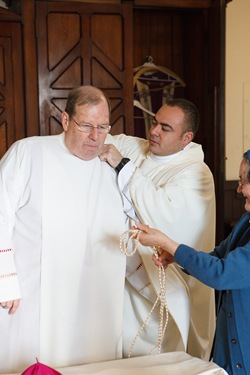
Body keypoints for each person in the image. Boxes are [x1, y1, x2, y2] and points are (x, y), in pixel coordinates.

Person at [0, 86, 128, 373]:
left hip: (94, 295)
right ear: (66, 120)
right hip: (35, 293)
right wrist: (5, 278)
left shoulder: (111, 164)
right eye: (86, 126)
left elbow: (130, 223)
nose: (95, 137)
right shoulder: (29, 152)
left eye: (103, 127)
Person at [99, 98, 216, 359]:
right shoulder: (139, 148)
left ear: (186, 138)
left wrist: (122, 165)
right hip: (129, 279)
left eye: (165, 128)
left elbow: (165, 215)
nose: (154, 131)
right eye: (154, 122)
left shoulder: (196, 173)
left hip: (168, 283)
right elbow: (100, 139)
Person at [133, 150, 250, 375]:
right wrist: (174, 255)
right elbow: (218, 256)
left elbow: (222, 273)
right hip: (229, 347)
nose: (237, 190)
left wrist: (166, 242)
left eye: (242, 182)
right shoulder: (246, 221)